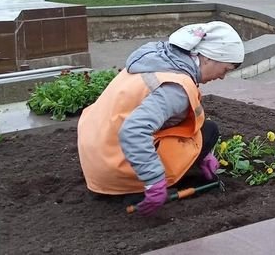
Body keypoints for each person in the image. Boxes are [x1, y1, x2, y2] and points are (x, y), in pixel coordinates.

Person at [77, 21, 245, 216]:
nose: (223, 77)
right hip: (116, 167)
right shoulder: (176, 88)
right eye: (225, 69)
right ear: (207, 58)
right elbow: (133, 130)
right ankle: (138, 189)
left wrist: (204, 154)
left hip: (96, 161)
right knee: (209, 131)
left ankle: (134, 182)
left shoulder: (156, 62)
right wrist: (154, 181)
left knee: (198, 131)